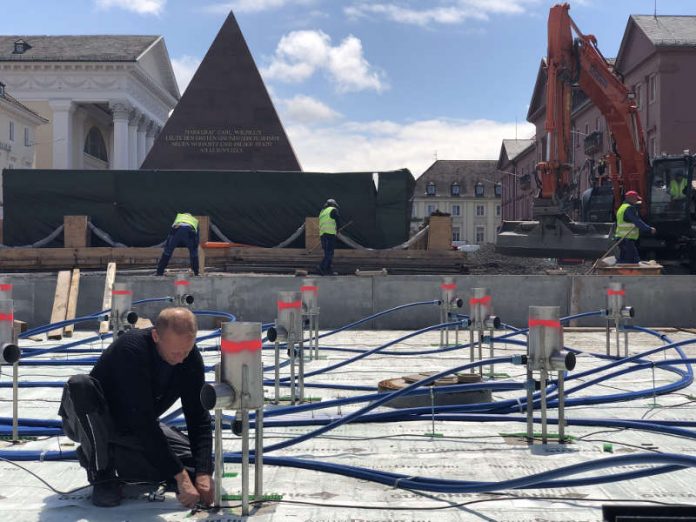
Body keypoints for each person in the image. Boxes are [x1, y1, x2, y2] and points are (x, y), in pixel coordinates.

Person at [58, 308, 213, 508]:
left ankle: (118, 457)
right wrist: (180, 477)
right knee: (80, 385)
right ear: (156, 336)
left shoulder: (189, 358)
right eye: (176, 352)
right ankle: (101, 473)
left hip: (133, 425)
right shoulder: (131, 351)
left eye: (187, 351)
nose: (181, 359)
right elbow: (144, 423)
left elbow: (198, 416)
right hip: (94, 421)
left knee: (194, 464)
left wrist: (203, 473)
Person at [614, 190, 656, 264]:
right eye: (636, 198)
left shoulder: (622, 207)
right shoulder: (629, 208)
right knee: (633, 261)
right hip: (626, 239)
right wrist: (649, 229)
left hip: (622, 238)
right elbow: (637, 221)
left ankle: (621, 274)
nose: (637, 200)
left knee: (625, 260)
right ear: (631, 198)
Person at [317, 198, 340, 276]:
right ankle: (321, 267)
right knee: (330, 252)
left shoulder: (322, 212)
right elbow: (338, 220)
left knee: (328, 253)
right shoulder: (333, 210)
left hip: (323, 234)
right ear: (333, 204)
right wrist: (338, 229)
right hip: (330, 234)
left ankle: (328, 270)